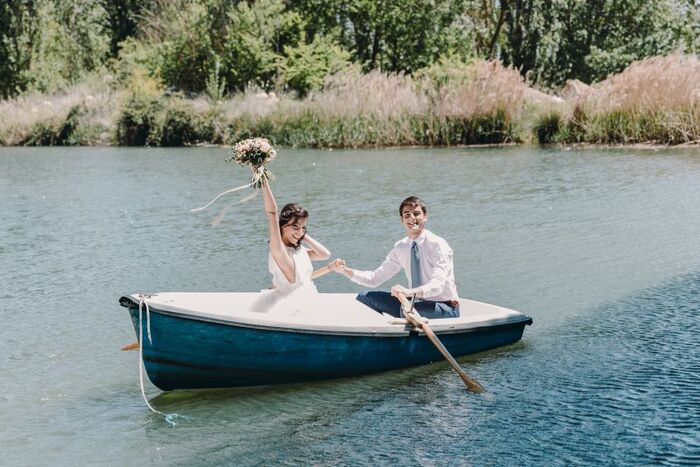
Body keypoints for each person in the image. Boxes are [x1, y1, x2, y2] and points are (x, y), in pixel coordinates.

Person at [330, 196, 459, 319]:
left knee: (407, 310)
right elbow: (374, 278)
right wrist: (344, 270)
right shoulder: (401, 247)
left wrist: (408, 292)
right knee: (364, 296)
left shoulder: (438, 245)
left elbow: (437, 286)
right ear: (402, 220)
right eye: (407, 215)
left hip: (445, 307)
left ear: (425, 217)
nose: (412, 218)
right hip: (414, 303)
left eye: (416, 214)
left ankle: (407, 327)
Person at [261, 179, 331, 294]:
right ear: (282, 226)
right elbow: (272, 213)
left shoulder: (299, 251)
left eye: (304, 227)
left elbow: (325, 254)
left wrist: (302, 235)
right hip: (292, 303)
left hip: (309, 297)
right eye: (295, 226)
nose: (300, 231)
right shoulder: (279, 251)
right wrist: (263, 180)